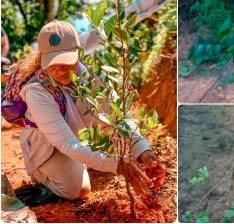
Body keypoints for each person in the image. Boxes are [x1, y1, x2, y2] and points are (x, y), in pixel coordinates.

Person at [15, 20, 165, 201]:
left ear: (78, 54)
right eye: (53, 63)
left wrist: (141, 149)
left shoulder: (92, 76)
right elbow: (67, 144)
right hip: (48, 148)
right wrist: (117, 164)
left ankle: (84, 161)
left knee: (119, 153)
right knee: (77, 189)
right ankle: (44, 179)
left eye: (66, 61)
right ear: (43, 59)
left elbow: (116, 116)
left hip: (80, 137)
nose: (61, 70)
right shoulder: (36, 91)